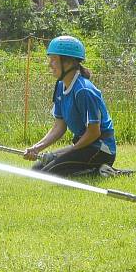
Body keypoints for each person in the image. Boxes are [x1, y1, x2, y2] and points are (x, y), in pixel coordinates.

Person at [23, 35, 116, 176]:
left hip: (100, 149)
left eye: (53, 60)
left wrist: (68, 151)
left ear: (67, 63)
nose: (50, 65)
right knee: (37, 169)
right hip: (84, 146)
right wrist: (37, 148)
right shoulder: (60, 86)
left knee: (50, 174)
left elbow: (94, 132)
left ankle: (101, 171)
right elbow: (59, 126)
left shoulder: (84, 91)